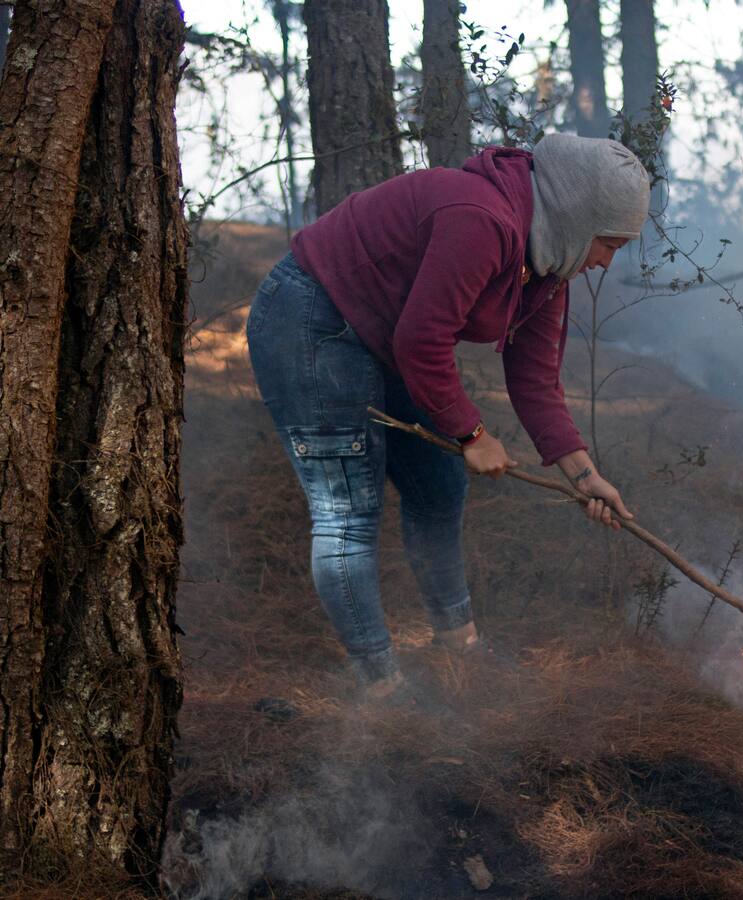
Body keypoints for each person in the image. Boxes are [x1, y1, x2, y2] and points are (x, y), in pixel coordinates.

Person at [246, 134, 650, 700]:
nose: (607, 261)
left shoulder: (547, 265)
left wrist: (585, 477)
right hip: (310, 319)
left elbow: (535, 381)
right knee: (348, 512)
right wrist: (472, 433)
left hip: (380, 335)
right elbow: (421, 340)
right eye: (609, 244)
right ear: (577, 216)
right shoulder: (480, 217)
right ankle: (381, 688)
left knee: (438, 486)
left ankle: (461, 651)